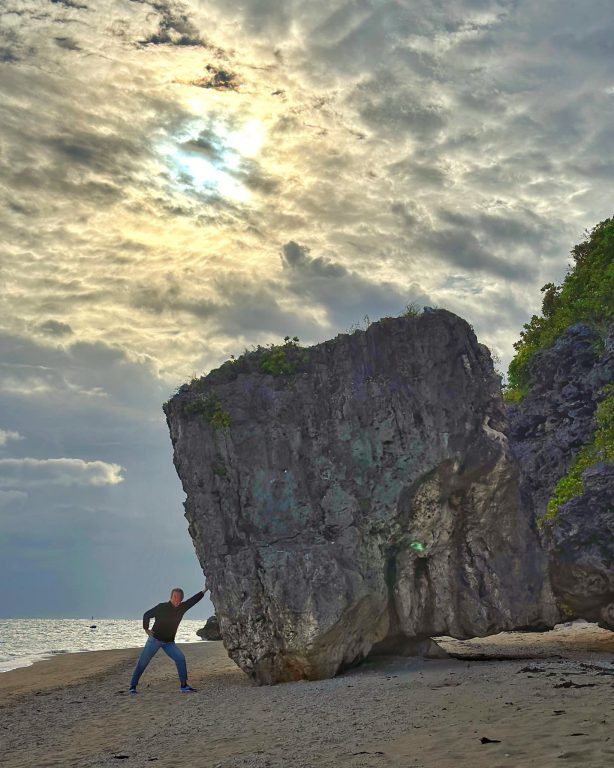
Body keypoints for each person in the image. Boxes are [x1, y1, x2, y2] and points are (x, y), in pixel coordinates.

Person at [129, 581, 208, 695]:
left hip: (169, 643)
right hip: (154, 640)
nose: (177, 599)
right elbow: (146, 615)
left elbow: (193, 600)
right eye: (175, 596)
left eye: (179, 597)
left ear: (181, 599)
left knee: (180, 658)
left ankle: (184, 686)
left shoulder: (182, 608)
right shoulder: (162, 607)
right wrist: (146, 628)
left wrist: (204, 590)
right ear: (171, 597)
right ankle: (133, 686)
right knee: (143, 662)